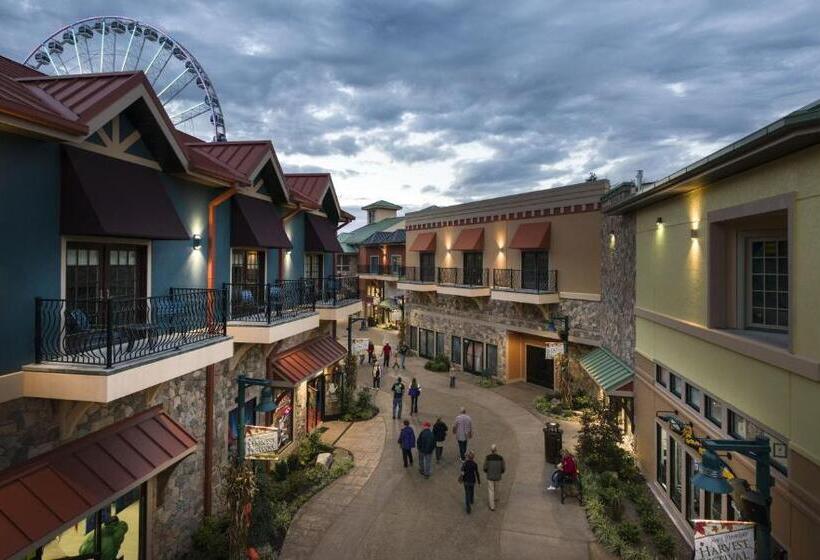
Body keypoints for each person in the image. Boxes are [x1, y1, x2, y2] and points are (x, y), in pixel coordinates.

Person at [483, 444, 506, 511]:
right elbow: (503, 468)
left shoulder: (487, 457)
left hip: (490, 476)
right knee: (497, 488)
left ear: (491, 450)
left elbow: (484, 467)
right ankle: (496, 498)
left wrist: (488, 472)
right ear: (496, 450)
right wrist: (500, 472)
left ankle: (492, 506)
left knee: (491, 490)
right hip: (497, 476)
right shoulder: (500, 458)